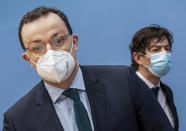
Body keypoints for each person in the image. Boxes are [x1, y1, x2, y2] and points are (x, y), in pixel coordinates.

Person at [3, 7, 173, 131]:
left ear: (74, 42)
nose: (51, 53)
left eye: (59, 40)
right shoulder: (17, 121)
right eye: (37, 48)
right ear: (29, 59)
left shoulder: (124, 82)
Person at [129, 25, 179, 131]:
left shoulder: (167, 92)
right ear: (138, 58)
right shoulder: (126, 91)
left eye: (167, 49)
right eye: (156, 50)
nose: (164, 54)